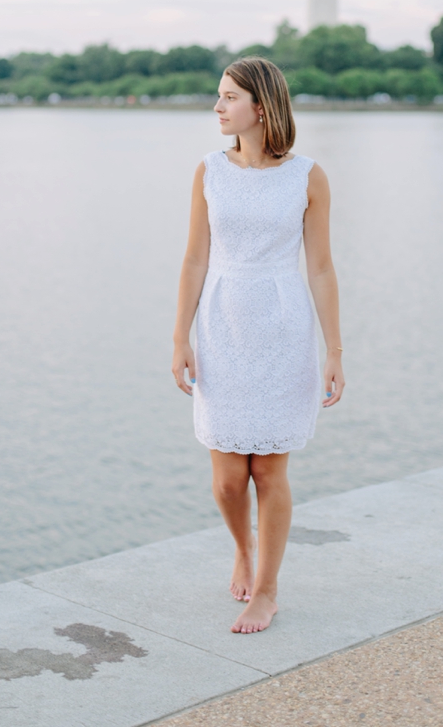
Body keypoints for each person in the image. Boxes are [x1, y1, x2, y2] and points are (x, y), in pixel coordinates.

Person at [170, 56, 345, 635]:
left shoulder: (308, 177)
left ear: (260, 107)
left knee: (268, 473)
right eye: (218, 96)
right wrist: (179, 338)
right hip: (220, 327)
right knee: (225, 479)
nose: (217, 107)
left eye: (227, 97)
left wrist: (335, 351)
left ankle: (266, 590)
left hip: (282, 327)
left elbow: (320, 268)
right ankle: (243, 549)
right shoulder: (208, 172)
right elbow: (195, 258)